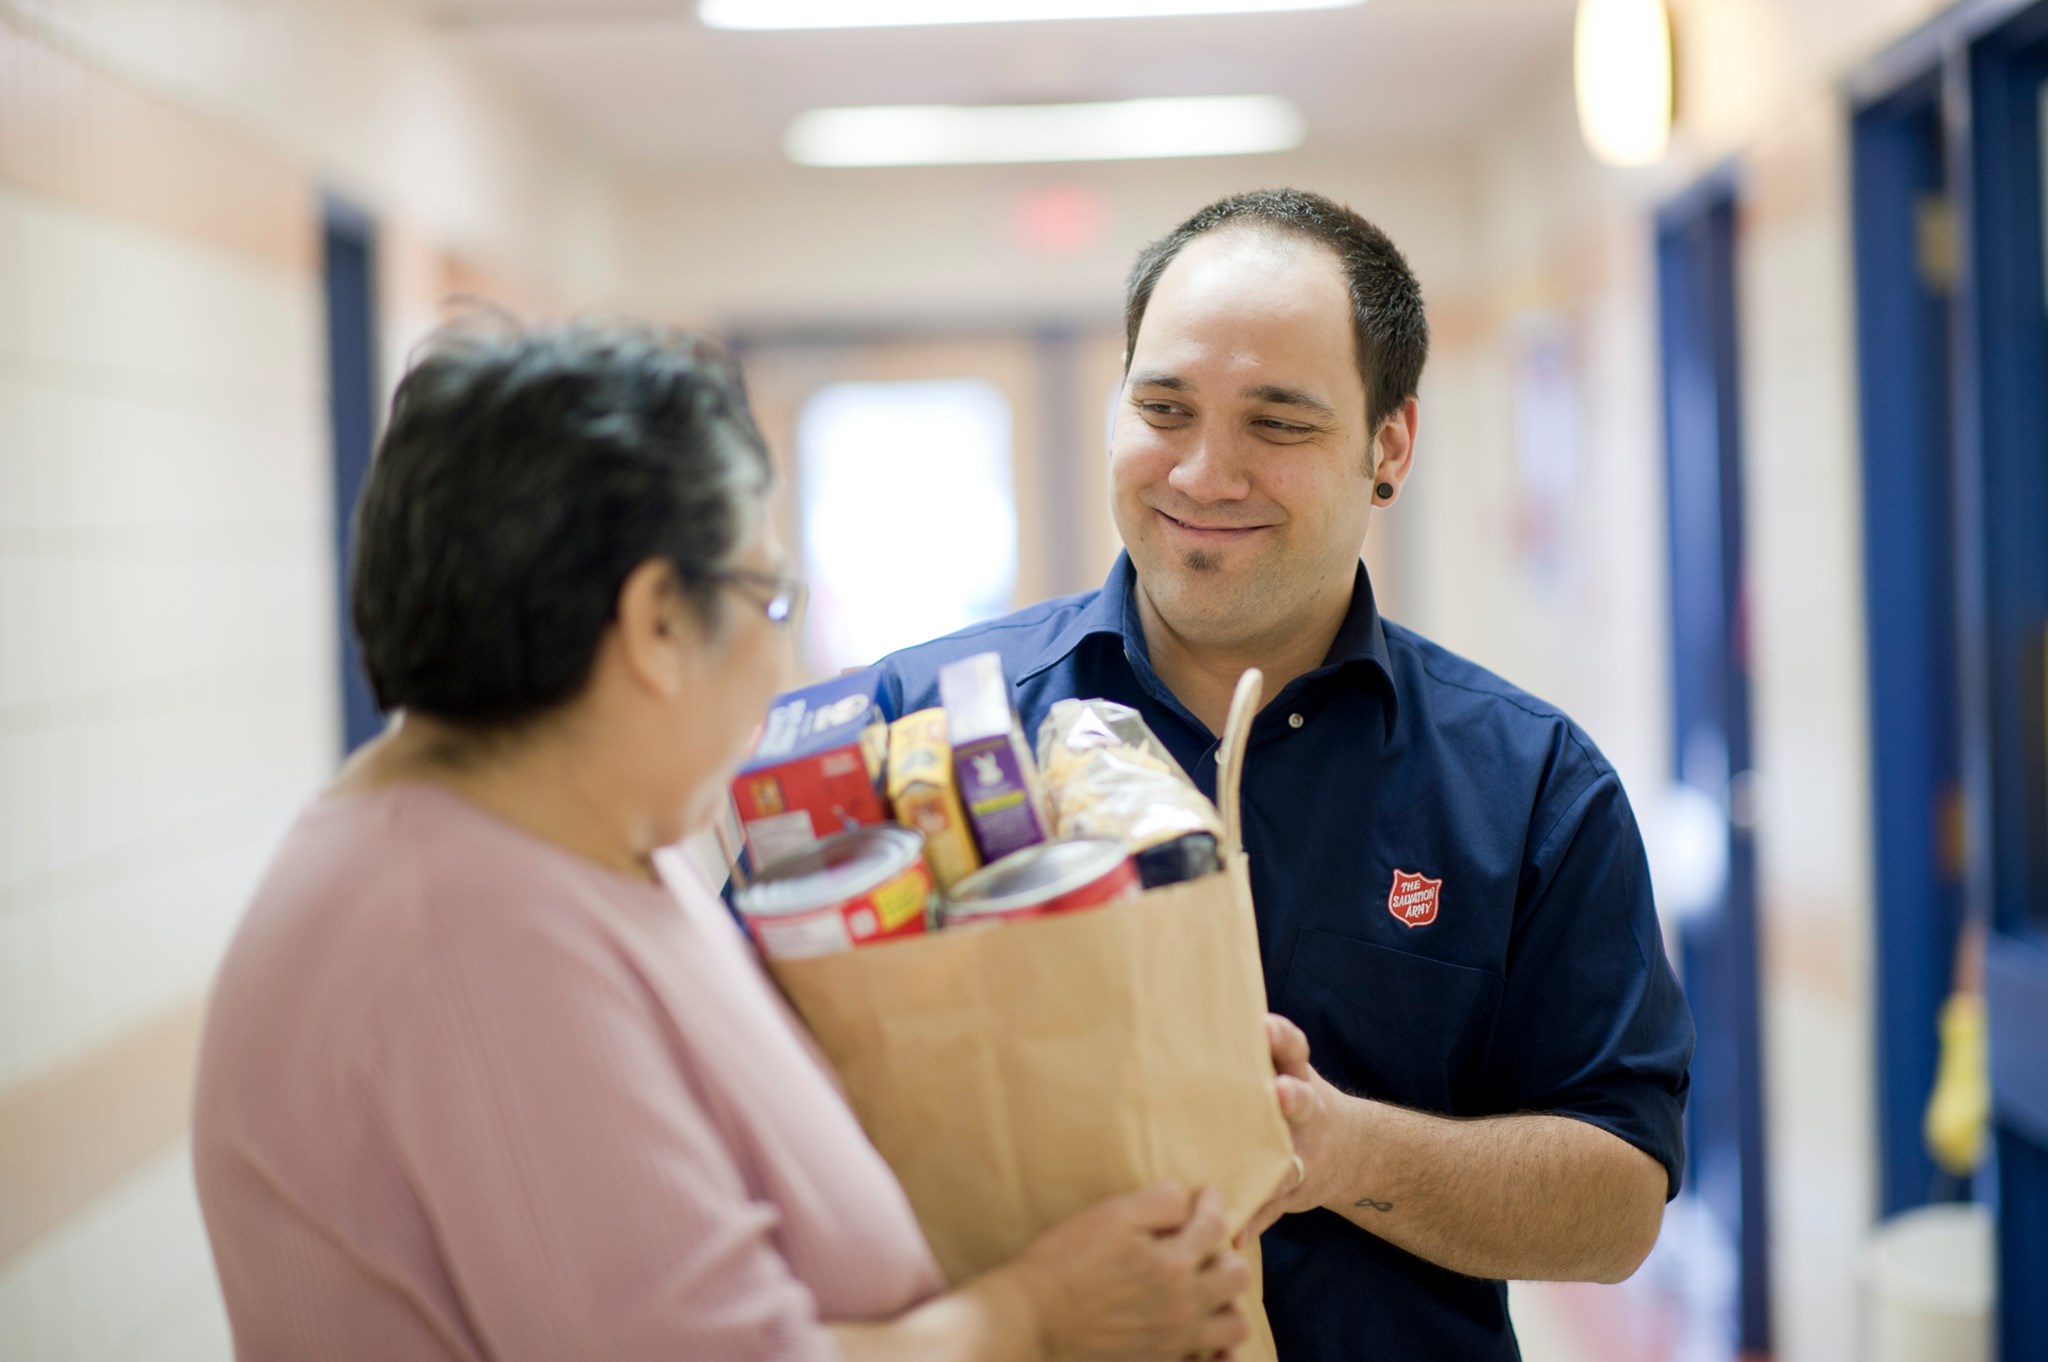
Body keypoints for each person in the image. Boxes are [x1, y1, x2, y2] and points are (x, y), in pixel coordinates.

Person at [191, 320, 1254, 1362]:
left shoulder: (588, 838)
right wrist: (1037, 1320)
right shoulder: (462, 935)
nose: (776, 663)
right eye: (770, 597)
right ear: (656, 623)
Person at [873, 188, 1696, 1361]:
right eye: (1162, 408)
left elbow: (1617, 1204)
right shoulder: (925, 732)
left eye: (1278, 423)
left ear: (1388, 445)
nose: (1205, 474)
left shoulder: (1527, 787)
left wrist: (1343, 1150)